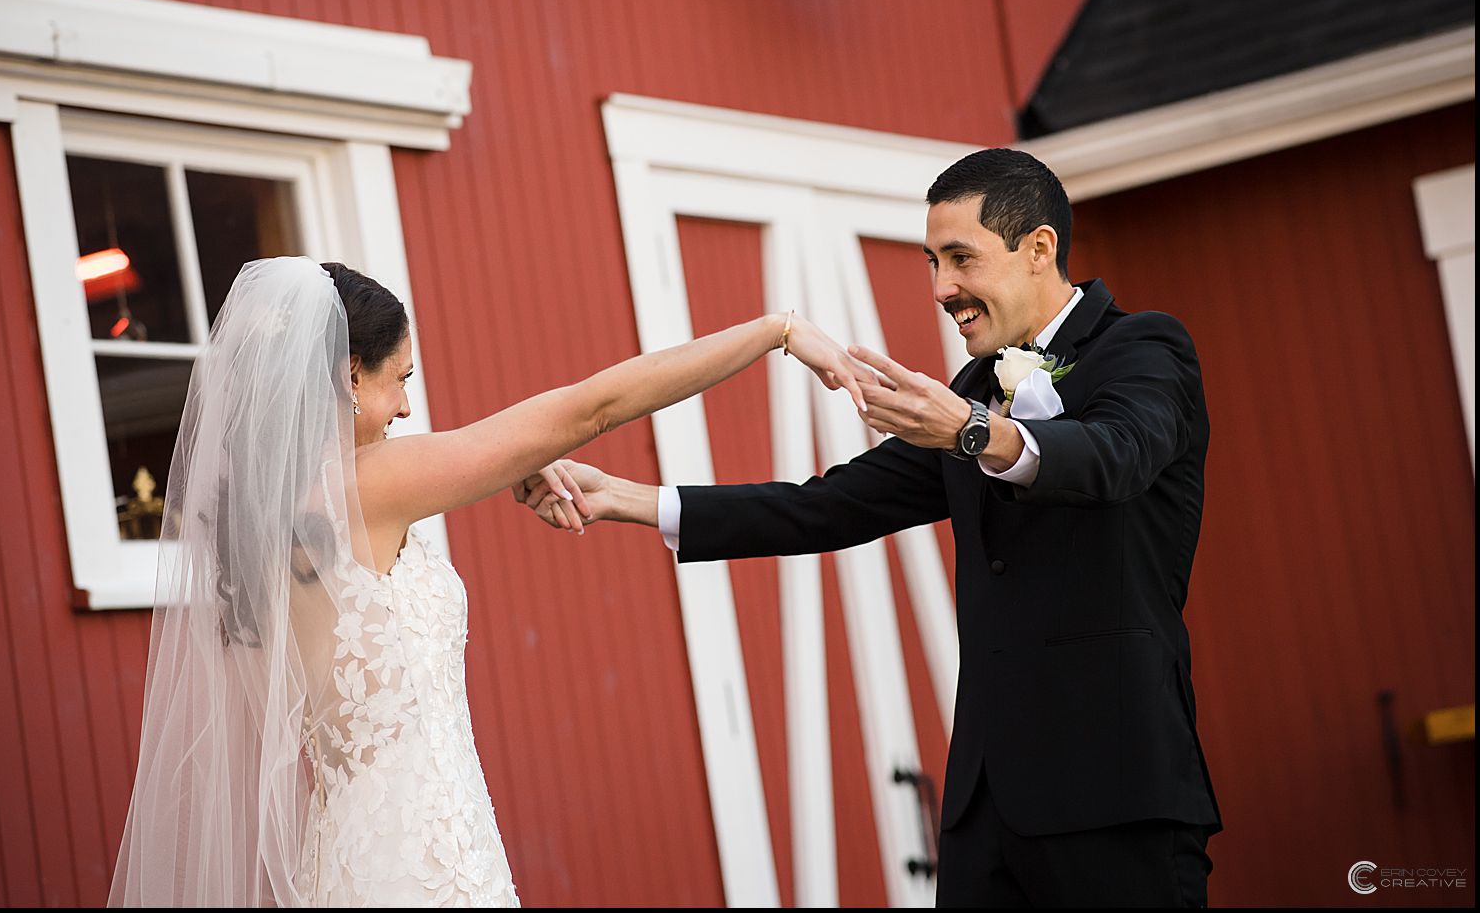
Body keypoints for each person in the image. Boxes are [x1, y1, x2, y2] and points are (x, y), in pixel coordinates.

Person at [517, 148, 1224, 907]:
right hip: (986, 819)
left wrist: (976, 433)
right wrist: (624, 497)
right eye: (932, 262)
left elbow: (1116, 454)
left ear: (1039, 248)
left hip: (1117, 795)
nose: (943, 288)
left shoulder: (1145, 348)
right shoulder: (974, 391)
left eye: (961, 258)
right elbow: (830, 504)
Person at [107, 255, 871, 907]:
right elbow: (592, 409)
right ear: (346, 375)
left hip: (351, 855)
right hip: (425, 866)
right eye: (398, 379)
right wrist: (774, 331)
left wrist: (504, 461)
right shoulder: (369, 485)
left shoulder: (259, 519)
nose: (407, 405)